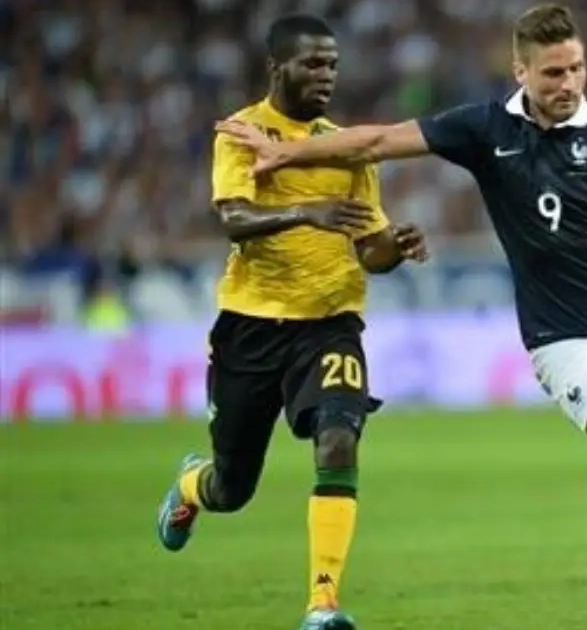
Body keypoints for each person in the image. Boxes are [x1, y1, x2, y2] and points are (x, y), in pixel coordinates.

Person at [216, 5, 587, 629]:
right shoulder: (484, 129)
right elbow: (376, 141)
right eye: (553, 73)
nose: (569, 84)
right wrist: (285, 155)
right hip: (563, 336)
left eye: (577, 69)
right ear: (520, 70)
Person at [155, 14, 428, 630]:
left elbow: (369, 247)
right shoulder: (241, 132)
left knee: (339, 439)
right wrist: (308, 211)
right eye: (313, 64)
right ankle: (193, 487)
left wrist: (396, 247)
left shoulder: (347, 146)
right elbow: (233, 220)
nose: (326, 75)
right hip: (249, 327)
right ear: (277, 67)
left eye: (332, 65)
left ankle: (322, 604)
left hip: (329, 323)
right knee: (232, 489)